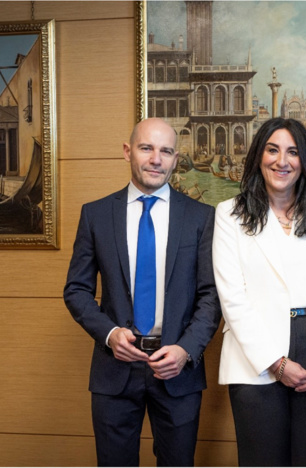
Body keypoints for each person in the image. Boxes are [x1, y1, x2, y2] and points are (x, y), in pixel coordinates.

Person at [63, 118, 221, 466]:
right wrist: (109, 334)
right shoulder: (96, 215)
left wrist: (185, 350)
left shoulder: (201, 217)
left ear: (175, 159)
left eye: (165, 151)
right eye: (146, 148)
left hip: (178, 370)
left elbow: (211, 297)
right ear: (127, 151)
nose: (156, 159)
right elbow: (76, 290)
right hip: (115, 368)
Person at [212, 118, 306, 467]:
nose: (282, 161)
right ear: (258, 157)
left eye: (293, 152)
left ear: (305, 159)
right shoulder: (229, 215)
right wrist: (276, 364)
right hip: (256, 359)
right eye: (272, 150)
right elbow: (233, 300)